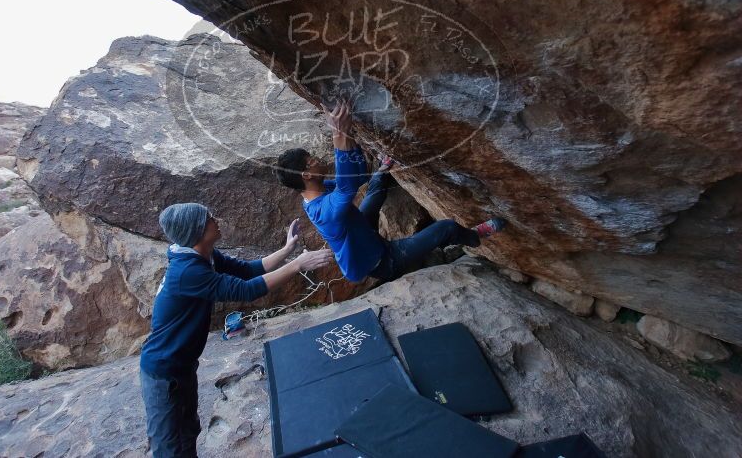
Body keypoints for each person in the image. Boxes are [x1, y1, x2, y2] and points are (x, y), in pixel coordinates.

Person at [139, 202, 333, 457]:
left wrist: (287, 250)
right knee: (169, 447)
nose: (214, 218)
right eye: (208, 218)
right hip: (165, 374)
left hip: (183, 367)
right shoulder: (187, 271)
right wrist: (297, 265)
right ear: (196, 231)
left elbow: (245, 271)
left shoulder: (201, 254)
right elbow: (246, 290)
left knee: (187, 432)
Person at [275, 99, 506, 283]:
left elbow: (357, 177)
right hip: (383, 260)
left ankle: (384, 169)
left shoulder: (319, 190)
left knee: (375, 188)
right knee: (446, 228)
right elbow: (347, 187)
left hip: (363, 232)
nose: (318, 160)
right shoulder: (324, 213)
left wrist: (349, 135)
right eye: (312, 160)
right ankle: (475, 237)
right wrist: (338, 136)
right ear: (306, 175)